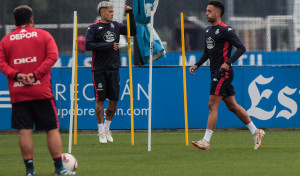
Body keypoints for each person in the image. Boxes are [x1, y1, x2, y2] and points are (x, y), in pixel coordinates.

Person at [0, 5, 75, 175]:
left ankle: (30, 171)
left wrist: (18, 75)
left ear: (14, 21)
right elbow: (53, 56)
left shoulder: (6, 40)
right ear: (31, 19)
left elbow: (2, 63)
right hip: (41, 90)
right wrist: (35, 75)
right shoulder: (44, 35)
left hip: (19, 92)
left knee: (25, 130)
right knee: (51, 128)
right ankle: (59, 169)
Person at [189, 0, 265, 150]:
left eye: (209, 11)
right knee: (232, 106)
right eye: (206, 10)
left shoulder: (226, 30)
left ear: (218, 13)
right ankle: (256, 131)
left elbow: (241, 48)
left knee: (212, 104)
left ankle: (205, 141)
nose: (206, 13)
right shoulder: (207, 30)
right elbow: (207, 53)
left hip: (223, 73)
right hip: (214, 72)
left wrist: (228, 63)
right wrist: (197, 64)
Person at [85, 1, 137, 144]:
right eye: (109, 12)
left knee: (114, 100)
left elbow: (132, 32)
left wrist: (130, 14)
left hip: (114, 68)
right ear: (102, 12)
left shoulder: (116, 25)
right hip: (99, 69)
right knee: (100, 100)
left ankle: (108, 128)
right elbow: (88, 45)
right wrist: (108, 45)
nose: (112, 14)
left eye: (113, 12)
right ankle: (100, 130)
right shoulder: (93, 28)